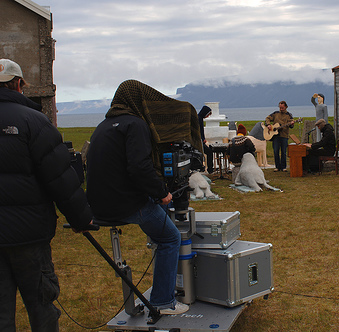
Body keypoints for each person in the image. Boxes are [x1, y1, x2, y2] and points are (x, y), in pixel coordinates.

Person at [0, 59, 93, 331]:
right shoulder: (33, 121)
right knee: (41, 305)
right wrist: (81, 218)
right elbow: (59, 178)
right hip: (28, 234)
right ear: (19, 84)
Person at [86, 80, 192, 315]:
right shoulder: (135, 124)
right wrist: (162, 192)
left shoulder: (103, 126)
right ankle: (164, 302)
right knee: (170, 238)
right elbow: (139, 168)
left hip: (99, 206)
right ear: (139, 100)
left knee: (161, 222)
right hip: (125, 204)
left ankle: (162, 283)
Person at [265, 101, 295, 172]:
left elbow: (291, 126)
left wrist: (292, 124)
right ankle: (277, 167)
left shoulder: (289, 115)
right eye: (280, 107)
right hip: (275, 136)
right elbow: (267, 118)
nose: (281, 109)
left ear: (286, 107)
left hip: (284, 136)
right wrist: (269, 125)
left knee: (283, 152)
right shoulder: (275, 113)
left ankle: (283, 167)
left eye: (282, 107)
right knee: (276, 151)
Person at [198, 105, 214, 174]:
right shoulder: (198, 119)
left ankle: (207, 169)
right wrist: (202, 138)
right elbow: (198, 131)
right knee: (209, 152)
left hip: (200, 140)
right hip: (199, 141)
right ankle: (210, 169)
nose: (207, 117)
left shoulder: (199, 118)